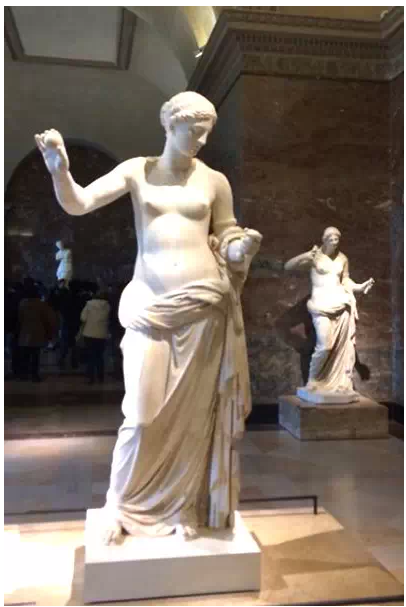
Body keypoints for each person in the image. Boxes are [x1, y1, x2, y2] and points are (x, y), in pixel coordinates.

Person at [35, 91, 262, 544]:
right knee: (140, 416)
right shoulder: (137, 170)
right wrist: (60, 170)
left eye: (207, 133)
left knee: (192, 420)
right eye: (193, 130)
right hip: (151, 306)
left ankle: (182, 506)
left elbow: (226, 233)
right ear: (169, 124)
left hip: (204, 307)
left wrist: (240, 248)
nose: (201, 140)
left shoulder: (214, 181)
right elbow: (79, 202)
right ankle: (119, 505)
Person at [284, 227, 374, 400]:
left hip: (341, 305)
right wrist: (305, 256)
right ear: (324, 240)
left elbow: (345, 280)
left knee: (341, 348)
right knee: (325, 346)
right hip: (320, 305)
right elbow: (288, 266)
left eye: (337, 239)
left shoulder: (343, 258)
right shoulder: (315, 256)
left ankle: (339, 383)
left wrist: (360, 287)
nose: (334, 242)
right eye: (331, 239)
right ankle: (313, 381)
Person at [17, 285, 58, 382]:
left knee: (25, 355)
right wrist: (50, 333)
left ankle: (24, 374)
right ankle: (34, 375)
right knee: (35, 356)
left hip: (24, 333)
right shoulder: (41, 305)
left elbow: (19, 318)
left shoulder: (22, 303)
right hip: (38, 333)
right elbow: (48, 320)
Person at [80, 289, 111, 384]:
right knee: (99, 356)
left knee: (90, 356)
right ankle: (100, 377)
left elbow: (83, 318)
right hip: (102, 334)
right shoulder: (107, 306)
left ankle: (91, 377)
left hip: (89, 333)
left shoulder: (89, 305)